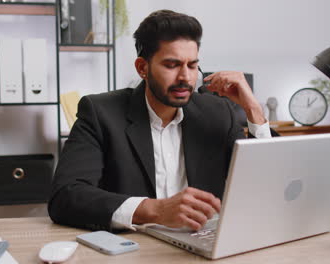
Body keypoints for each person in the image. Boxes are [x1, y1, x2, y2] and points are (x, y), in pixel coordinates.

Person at [48, 10, 271, 232]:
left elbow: (262, 189)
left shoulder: (218, 113)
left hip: (205, 243)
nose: (185, 77)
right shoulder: (100, 113)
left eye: (192, 65)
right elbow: (66, 195)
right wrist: (155, 210)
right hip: (135, 249)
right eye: (172, 65)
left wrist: (253, 110)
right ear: (142, 68)